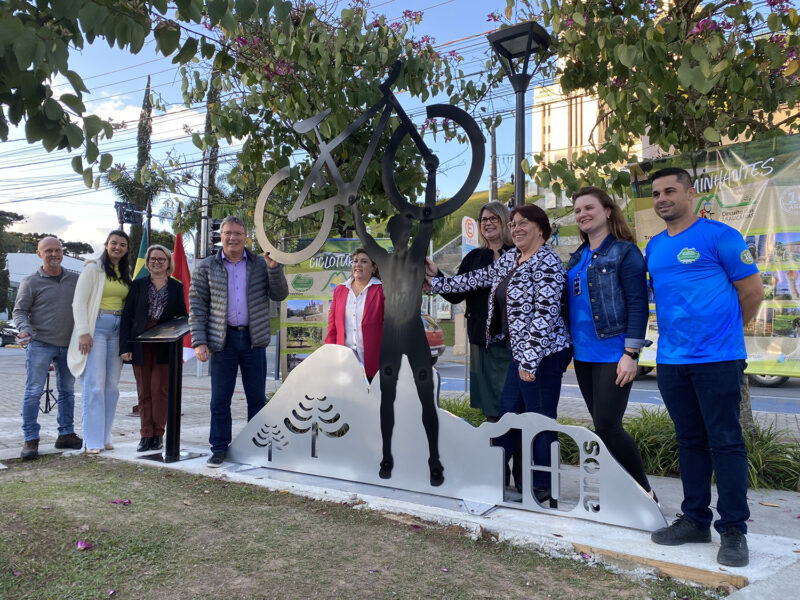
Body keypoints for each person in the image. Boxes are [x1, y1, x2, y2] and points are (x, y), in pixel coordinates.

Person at [645, 167, 764, 568]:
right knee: (690, 442)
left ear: (690, 194)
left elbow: (752, 293)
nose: (662, 198)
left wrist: (727, 335)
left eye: (670, 191)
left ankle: (733, 530)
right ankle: (695, 519)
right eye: (657, 193)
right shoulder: (655, 247)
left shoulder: (720, 236)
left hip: (718, 360)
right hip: (672, 362)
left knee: (726, 442)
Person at [427, 204, 572, 505]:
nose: (517, 228)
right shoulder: (512, 259)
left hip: (543, 355)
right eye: (515, 224)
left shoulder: (547, 262)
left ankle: (543, 487)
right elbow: (473, 280)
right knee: (508, 416)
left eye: (524, 223)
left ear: (541, 229)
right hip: (519, 354)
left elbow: (544, 316)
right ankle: (486, 475)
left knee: (539, 419)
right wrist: (434, 281)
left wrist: (530, 361)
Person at [565, 187, 655, 502]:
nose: (582, 214)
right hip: (584, 355)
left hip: (613, 353)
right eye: (577, 211)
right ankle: (621, 491)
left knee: (608, 424)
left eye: (588, 207)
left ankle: (644, 493)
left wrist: (631, 353)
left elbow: (637, 303)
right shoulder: (578, 255)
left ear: (607, 211)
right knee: (602, 427)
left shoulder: (625, 252)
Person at [351, 206, 444, 487]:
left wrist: (431, 174)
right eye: (395, 232)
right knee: (386, 396)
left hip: (414, 332)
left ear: (409, 233)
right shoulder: (383, 259)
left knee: (427, 396)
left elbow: (428, 221)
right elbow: (364, 236)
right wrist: (355, 206)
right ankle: (386, 457)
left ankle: (434, 459)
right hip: (391, 333)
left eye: (404, 231)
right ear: (391, 235)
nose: (400, 236)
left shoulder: (418, 255)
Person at [189, 216, 288, 468]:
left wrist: (275, 269)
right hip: (222, 341)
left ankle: (258, 447)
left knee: (256, 398)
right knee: (220, 399)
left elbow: (279, 294)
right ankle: (219, 448)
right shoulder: (206, 266)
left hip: (254, 340)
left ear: (246, 237)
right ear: (220, 236)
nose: (233, 238)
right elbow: (197, 307)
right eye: (228, 233)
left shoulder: (260, 264)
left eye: (238, 233)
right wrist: (199, 341)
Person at [433, 202, 513, 422]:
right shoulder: (474, 258)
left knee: (513, 404)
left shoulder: (518, 254)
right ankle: (498, 452)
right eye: (483, 220)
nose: (487, 223)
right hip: (482, 339)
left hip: (513, 340)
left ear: (505, 220)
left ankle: (518, 453)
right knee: (491, 409)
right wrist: (437, 275)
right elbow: (456, 293)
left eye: (493, 218)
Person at [13, 236, 82, 459]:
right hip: (40, 344)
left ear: (63, 253)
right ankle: (31, 440)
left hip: (69, 345)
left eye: (58, 250)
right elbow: (19, 311)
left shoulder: (75, 279)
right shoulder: (30, 282)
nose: (54, 254)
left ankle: (66, 434)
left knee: (67, 392)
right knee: (33, 392)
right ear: (39, 254)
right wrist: (24, 329)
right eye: (49, 250)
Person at [67, 230, 132, 454]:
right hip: (96, 329)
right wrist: (84, 332)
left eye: (122, 245)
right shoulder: (93, 267)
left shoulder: (125, 272)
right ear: (106, 245)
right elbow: (78, 302)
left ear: (126, 249)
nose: (117, 248)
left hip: (117, 329)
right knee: (94, 385)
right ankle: (91, 441)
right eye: (114, 243)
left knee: (111, 386)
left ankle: (104, 436)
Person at [119, 245, 188, 452]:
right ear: (147, 262)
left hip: (164, 346)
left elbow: (183, 316)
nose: (156, 262)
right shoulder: (138, 285)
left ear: (168, 263)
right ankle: (145, 435)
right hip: (140, 344)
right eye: (153, 259)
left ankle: (158, 434)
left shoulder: (176, 287)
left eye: (161, 259)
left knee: (160, 391)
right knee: (144, 391)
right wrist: (125, 347)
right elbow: (127, 318)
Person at [325, 248, 384, 380]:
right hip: (344, 363)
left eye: (364, 262)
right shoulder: (340, 290)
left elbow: (389, 328)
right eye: (355, 261)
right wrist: (328, 354)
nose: (357, 265)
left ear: (374, 267)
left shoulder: (382, 291)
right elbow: (333, 328)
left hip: (375, 363)